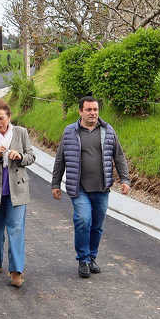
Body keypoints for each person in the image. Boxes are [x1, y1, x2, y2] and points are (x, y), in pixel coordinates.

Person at [51, 96, 131, 278]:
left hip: (102, 188)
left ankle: (92, 257)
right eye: (88, 110)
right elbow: (60, 158)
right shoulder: (70, 131)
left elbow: (119, 156)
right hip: (79, 188)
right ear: (80, 111)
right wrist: (55, 183)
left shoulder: (107, 130)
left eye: (95, 110)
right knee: (83, 220)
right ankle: (83, 259)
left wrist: (125, 180)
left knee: (96, 225)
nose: (93, 113)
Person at [0, 99, 35, 287]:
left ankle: (16, 270)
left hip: (17, 187)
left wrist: (19, 156)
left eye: (1, 118)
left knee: (16, 228)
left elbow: (31, 156)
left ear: (9, 117)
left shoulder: (21, 132)